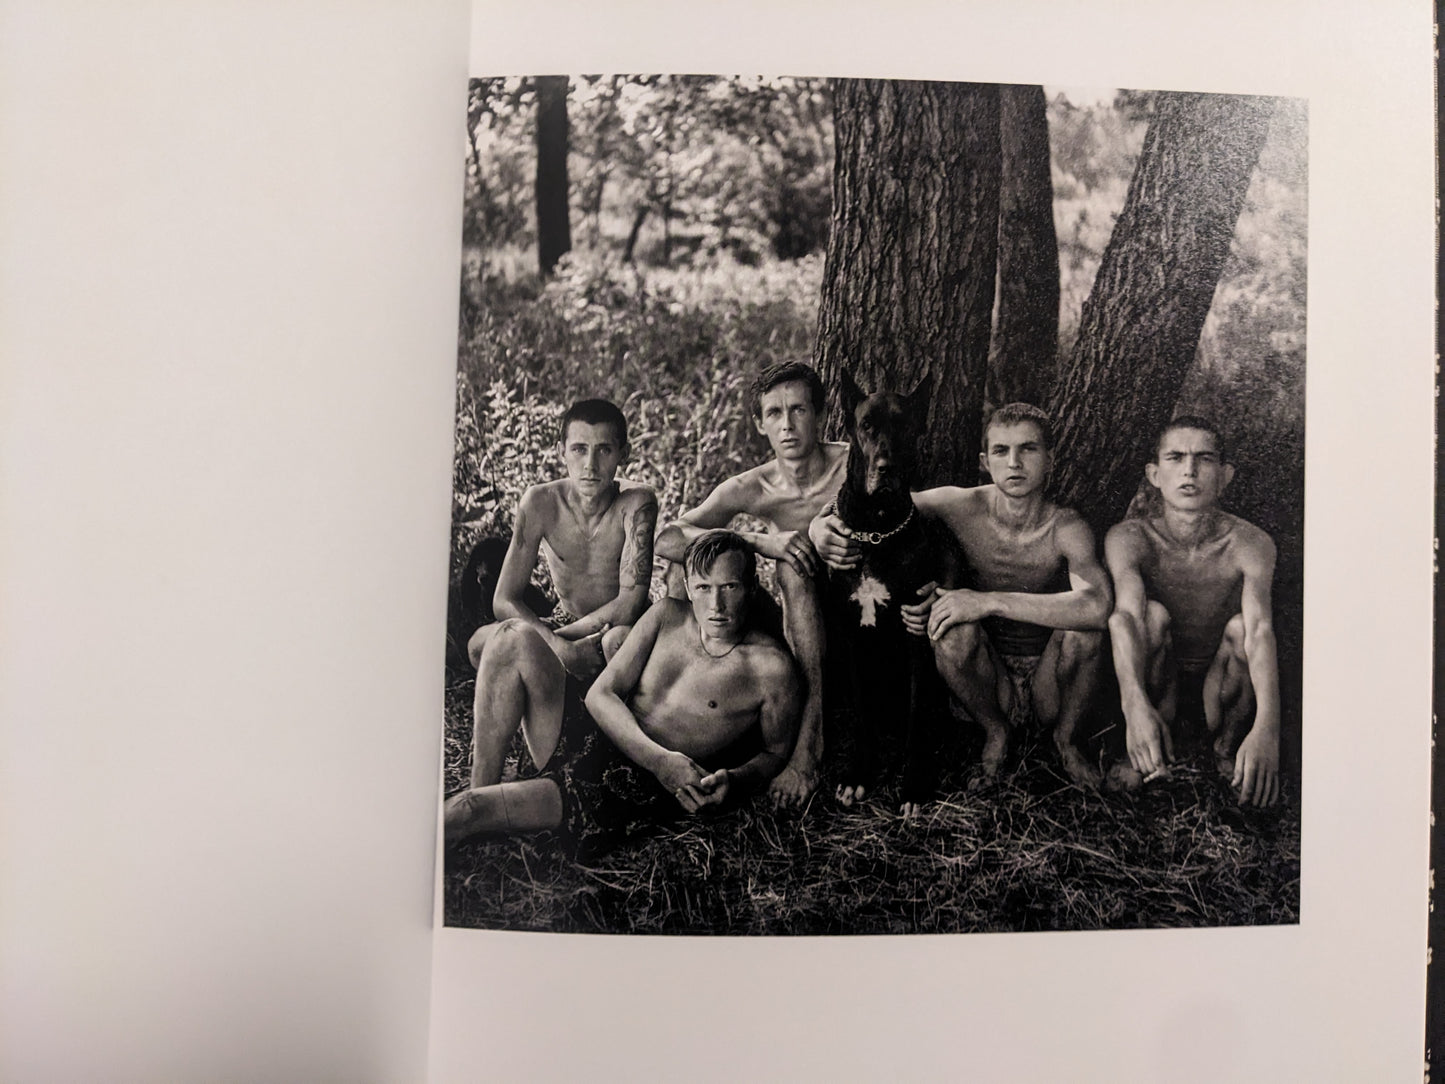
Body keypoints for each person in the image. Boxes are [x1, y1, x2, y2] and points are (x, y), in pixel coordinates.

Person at [810, 402, 1112, 789]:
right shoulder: (962, 505)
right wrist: (819, 526)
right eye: (1001, 451)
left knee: (1085, 634)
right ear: (985, 462)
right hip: (987, 681)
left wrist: (988, 601)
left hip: (1050, 681)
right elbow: (873, 501)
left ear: (1050, 459)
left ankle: (1066, 741)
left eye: (1029, 448)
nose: (1015, 463)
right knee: (950, 630)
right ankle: (996, 732)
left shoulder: (1067, 527)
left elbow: (1097, 606)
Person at [444, 530, 801, 855]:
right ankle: (482, 791)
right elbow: (600, 694)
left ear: (752, 587)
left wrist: (734, 781)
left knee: (469, 810)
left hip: (623, 784)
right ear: (689, 587)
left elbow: (775, 752)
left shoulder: (771, 668)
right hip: (599, 733)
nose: (716, 605)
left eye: (730, 587)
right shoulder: (667, 615)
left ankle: (479, 814)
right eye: (704, 588)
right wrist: (660, 760)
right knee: (511, 636)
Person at [654, 361, 847, 809]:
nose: (787, 425)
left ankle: (808, 747)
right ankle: (689, 707)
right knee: (693, 565)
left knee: (794, 567)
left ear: (821, 414)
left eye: (799, 410)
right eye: (775, 413)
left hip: (856, 615)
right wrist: (762, 541)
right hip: (793, 620)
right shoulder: (755, 486)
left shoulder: (850, 465)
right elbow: (668, 539)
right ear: (760, 424)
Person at [461, 398, 656, 790]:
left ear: (623, 453)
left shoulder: (636, 503)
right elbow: (504, 598)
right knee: (481, 644)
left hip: (616, 631)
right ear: (561, 451)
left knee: (610, 641)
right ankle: (482, 790)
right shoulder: (541, 502)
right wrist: (559, 646)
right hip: (566, 623)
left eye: (604, 450)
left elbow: (630, 603)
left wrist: (558, 641)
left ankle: (560, 740)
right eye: (579, 449)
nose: (590, 465)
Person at [1104, 416, 1281, 807]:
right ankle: (1144, 749)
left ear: (1225, 475)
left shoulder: (1251, 543)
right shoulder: (1130, 537)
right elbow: (1125, 618)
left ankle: (1227, 749)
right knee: (1150, 617)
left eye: (1204, 458)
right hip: (1159, 676)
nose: (1190, 470)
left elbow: (1260, 630)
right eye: (1175, 457)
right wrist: (1134, 707)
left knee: (1241, 629)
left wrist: (1268, 729)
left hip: (1218, 685)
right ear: (1154, 474)